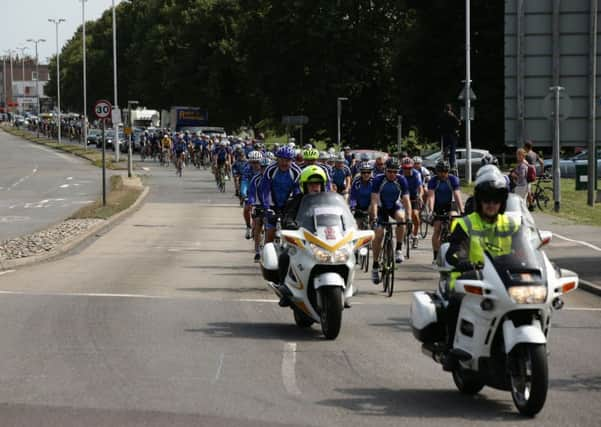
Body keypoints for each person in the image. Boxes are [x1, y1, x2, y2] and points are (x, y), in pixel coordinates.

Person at [443, 168, 520, 365]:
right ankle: (451, 349)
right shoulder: (466, 223)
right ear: (480, 201)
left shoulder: (510, 224)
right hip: (469, 277)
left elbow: (525, 248)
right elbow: (453, 251)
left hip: (503, 279)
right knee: (456, 302)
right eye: (487, 200)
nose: (491, 205)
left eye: (496, 200)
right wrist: (462, 260)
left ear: (502, 202)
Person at [276, 166, 328, 307]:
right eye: (311, 184)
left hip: (325, 240)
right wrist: (291, 224)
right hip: (303, 240)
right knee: (285, 256)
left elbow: (341, 216)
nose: (315, 187)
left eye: (318, 184)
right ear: (304, 186)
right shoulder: (297, 200)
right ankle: (285, 289)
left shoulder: (328, 201)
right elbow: (288, 217)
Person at [370, 158, 413, 284]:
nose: (392, 174)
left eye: (395, 172)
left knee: (401, 218)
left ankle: (398, 249)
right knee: (378, 234)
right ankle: (375, 265)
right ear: (385, 170)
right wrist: (375, 217)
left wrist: (409, 218)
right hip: (381, 207)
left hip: (394, 206)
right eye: (389, 171)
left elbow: (406, 200)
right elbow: (374, 201)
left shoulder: (401, 180)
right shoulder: (378, 179)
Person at [261, 146, 302, 243]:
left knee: (291, 234)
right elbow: (265, 190)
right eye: (281, 160)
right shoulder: (270, 169)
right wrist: (266, 207)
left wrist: (295, 207)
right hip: (272, 204)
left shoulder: (296, 172)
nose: (284, 163)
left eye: (287, 160)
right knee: (270, 232)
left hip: (288, 204)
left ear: (292, 160)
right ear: (277, 159)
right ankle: (268, 252)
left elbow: (298, 192)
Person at [427, 160, 464, 263]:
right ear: (437, 172)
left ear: (448, 171)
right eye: (440, 171)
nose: (443, 174)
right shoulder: (433, 181)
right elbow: (431, 196)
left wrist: (462, 210)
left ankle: (452, 241)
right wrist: (430, 210)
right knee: (437, 228)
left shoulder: (453, 179)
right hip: (437, 205)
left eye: (445, 171)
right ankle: (435, 256)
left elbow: (457, 195)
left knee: (454, 217)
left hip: (450, 204)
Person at [401, 157, 423, 248]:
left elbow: (420, 188)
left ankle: (415, 236)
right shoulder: (399, 174)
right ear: (402, 168)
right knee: (403, 217)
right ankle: (404, 230)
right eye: (405, 168)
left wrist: (420, 196)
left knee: (415, 215)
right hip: (403, 197)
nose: (407, 170)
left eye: (410, 168)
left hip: (414, 197)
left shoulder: (416, 174)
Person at [350, 161, 374, 227]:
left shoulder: (374, 182)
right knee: (356, 226)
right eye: (364, 172)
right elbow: (352, 196)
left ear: (371, 173)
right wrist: (353, 207)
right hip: (359, 207)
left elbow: (376, 197)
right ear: (360, 173)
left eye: (368, 172)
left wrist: (372, 206)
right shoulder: (356, 182)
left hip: (371, 205)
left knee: (374, 223)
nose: (366, 174)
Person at [439, 104, 461, 171]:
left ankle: (444, 161)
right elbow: (458, 123)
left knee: (445, 149)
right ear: (450, 109)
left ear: (445, 109)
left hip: (445, 135)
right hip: (452, 135)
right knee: (452, 150)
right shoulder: (452, 115)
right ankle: (452, 165)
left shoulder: (442, 116)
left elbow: (439, 124)